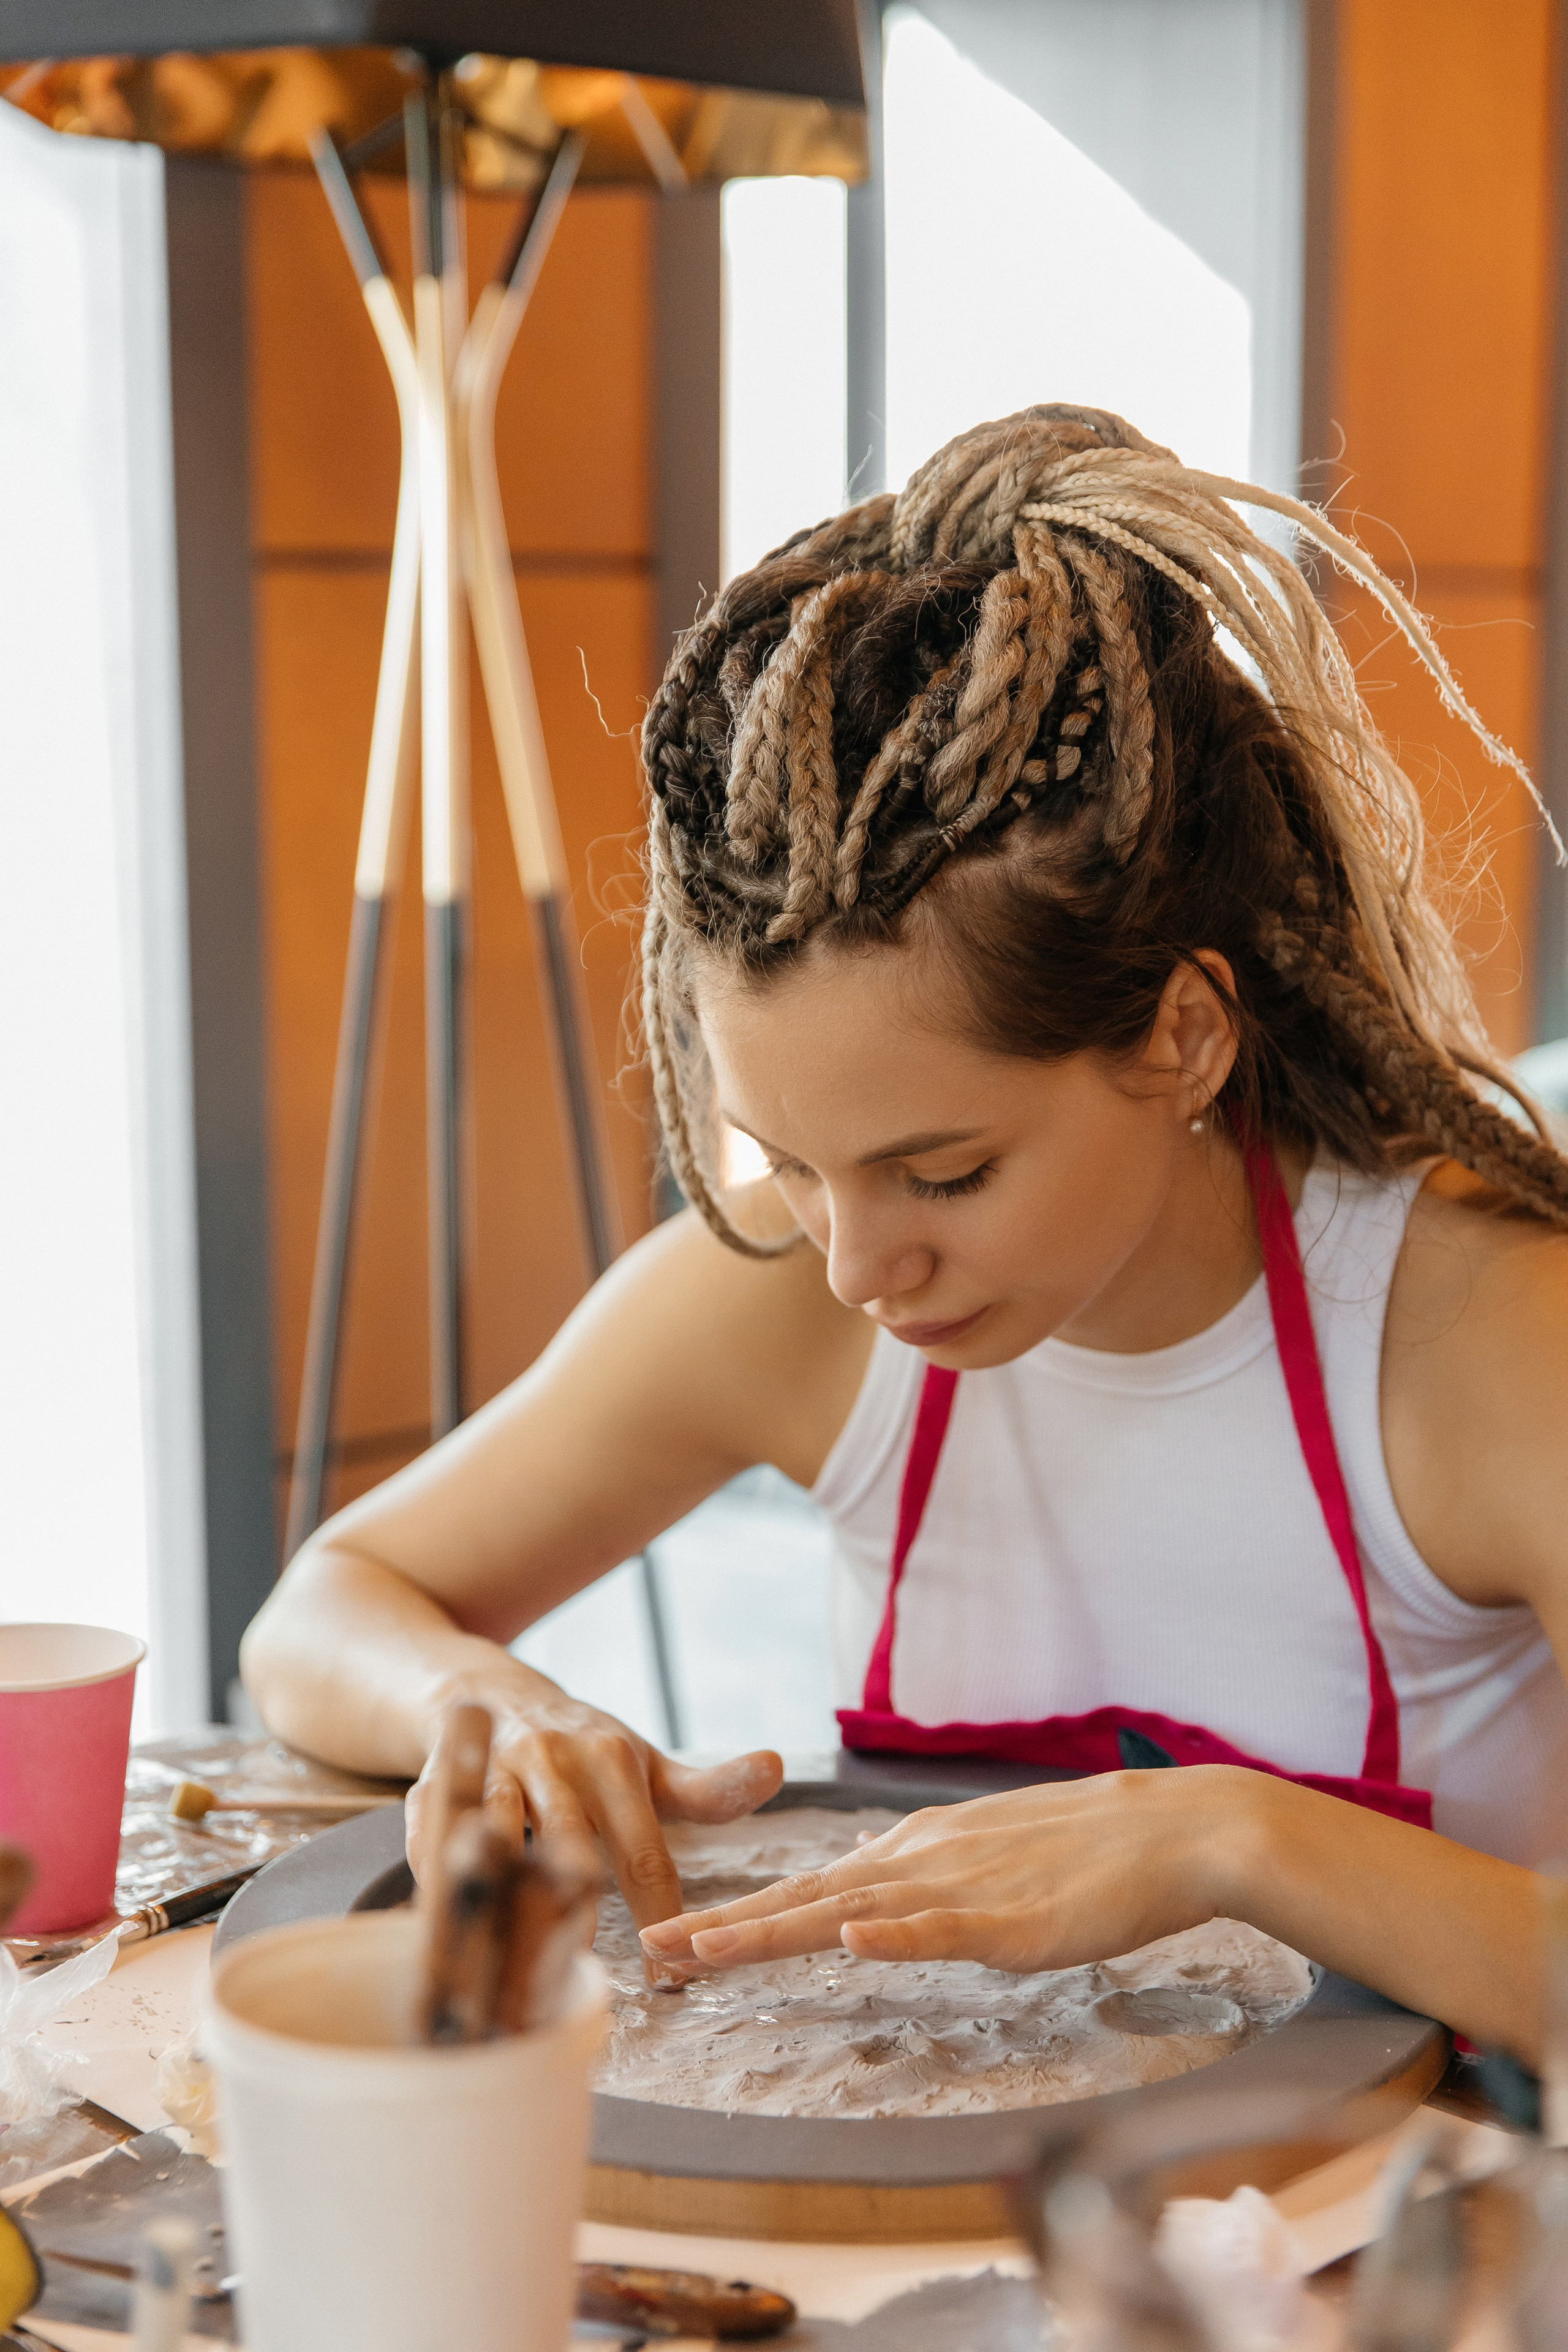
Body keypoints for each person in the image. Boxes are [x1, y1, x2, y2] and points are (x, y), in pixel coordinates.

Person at [243, 406, 1568, 2062]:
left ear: (1181, 1037)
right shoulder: (789, 1296)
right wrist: (483, 1703)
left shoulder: (1484, 1336)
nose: (860, 1267)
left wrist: (1238, 1839)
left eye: (942, 1175)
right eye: (789, 1162)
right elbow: (322, 1610)